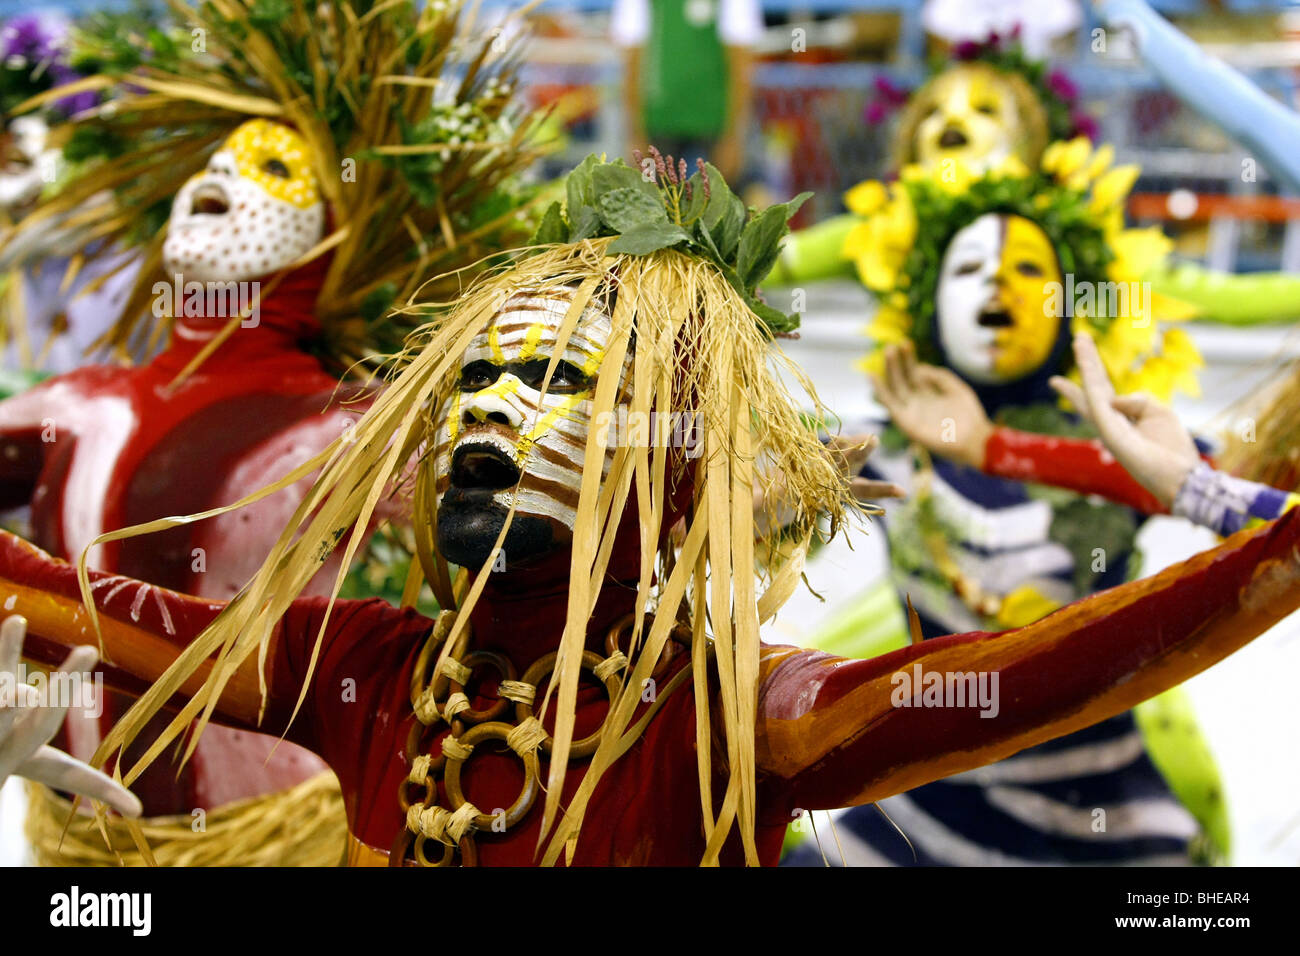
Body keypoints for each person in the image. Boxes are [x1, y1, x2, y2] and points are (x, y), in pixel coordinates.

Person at [4, 155, 1300, 866]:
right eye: (483, 381)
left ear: (663, 472)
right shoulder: (360, 672)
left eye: (557, 385)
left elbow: (1011, 680)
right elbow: (78, 603)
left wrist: (1274, 558)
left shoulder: (727, 720)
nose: (494, 421)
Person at [612, 0, 762, 181]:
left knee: (733, 200)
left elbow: (741, 63)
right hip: (657, 123)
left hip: (716, 125)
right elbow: (631, 61)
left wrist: (734, 136)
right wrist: (636, 133)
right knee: (652, 203)